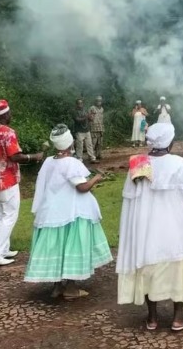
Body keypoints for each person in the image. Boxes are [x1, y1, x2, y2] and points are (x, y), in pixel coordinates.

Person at [116, 123, 183, 331]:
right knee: (179, 264)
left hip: (147, 226)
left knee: (149, 266)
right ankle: (178, 317)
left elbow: (130, 196)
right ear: (171, 143)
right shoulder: (178, 162)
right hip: (176, 224)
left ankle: (152, 318)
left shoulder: (139, 162)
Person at [24, 124, 112, 298]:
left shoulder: (49, 161)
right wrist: (97, 177)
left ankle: (57, 287)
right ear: (70, 143)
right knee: (71, 247)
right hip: (71, 213)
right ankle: (71, 288)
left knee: (57, 248)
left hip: (50, 213)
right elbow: (82, 187)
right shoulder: (71, 163)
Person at [0, 100, 44, 266]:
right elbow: (15, 157)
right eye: (9, 113)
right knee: (10, 215)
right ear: (5, 115)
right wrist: (33, 157)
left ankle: (3, 249)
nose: (11, 115)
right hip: (6, 180)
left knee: (0, 214)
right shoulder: (8, 133)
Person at [89, 96, 105, 161]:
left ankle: (98, 154)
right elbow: (89, 117)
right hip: (94, 128)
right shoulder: (92, 108)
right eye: (97, 101)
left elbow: (102, 119)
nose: (99, 102)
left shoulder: (102, 109)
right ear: (95, 101)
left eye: (100, 101)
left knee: (100, 142)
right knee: (93, 143)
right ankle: (91, 156)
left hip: (101, 127)